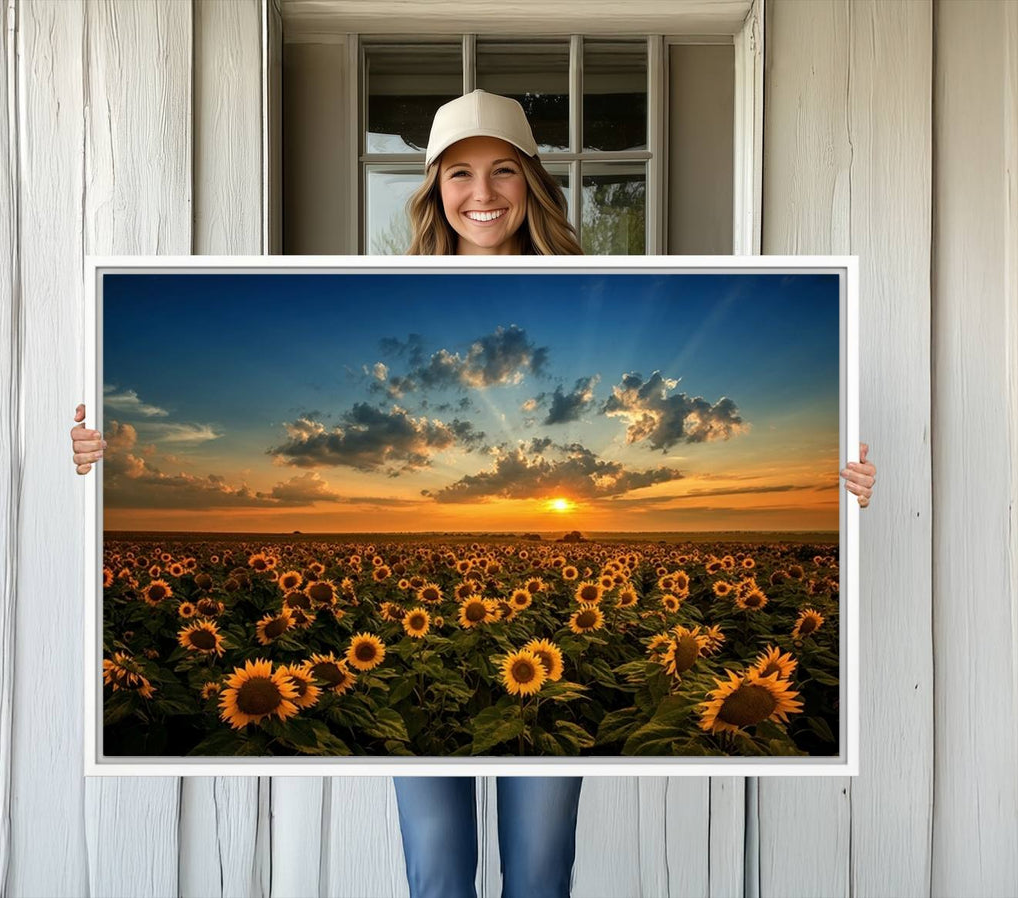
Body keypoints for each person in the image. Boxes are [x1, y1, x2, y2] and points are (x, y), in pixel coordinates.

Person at [69, 89, 877, 898]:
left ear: (531, 182)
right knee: (437, 871)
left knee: (539, 870)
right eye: (459, 174)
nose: (482, 194)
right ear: (433, 189)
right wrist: (98, 452)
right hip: (427, 657)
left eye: (502, 172)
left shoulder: (597, 293)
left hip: (531, 665)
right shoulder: (387, 300)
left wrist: (843, 487)